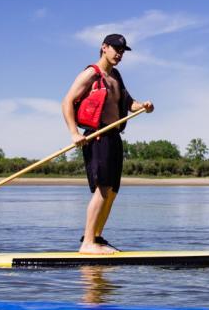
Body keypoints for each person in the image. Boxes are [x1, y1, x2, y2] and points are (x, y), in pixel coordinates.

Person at [62, 33, 154, 254]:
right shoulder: (91, 74)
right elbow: (67, 101)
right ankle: (87, 244)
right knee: (102, 189)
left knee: (111, 191)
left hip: (113, 137)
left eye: (122, 51)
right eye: (116, 49)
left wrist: (143, 106)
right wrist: (74, 133)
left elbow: (129, 103)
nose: (119, 54)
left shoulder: (116, 76)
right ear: (104, 48)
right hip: (96, 136)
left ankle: (95, 237)